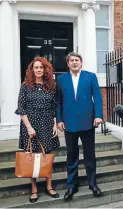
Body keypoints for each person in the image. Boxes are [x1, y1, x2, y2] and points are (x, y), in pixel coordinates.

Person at [56, 52, 103, 201]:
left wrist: (98, 115)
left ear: (81, 63)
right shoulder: (61, 79)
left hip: (87, 121)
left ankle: (92, 183)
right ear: (68, 64)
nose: (74, 62)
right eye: (71, 60)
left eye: (77, 60)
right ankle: (71, 185)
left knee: (90, 155)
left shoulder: (90, 76)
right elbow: (58, 102)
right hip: (69, 123)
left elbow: (98, 97)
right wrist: (59, 120)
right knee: (71, 155)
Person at [15, 57, 60, 203]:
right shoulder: (25, 86)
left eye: (41, 67)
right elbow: (21, 108)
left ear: (45, 69)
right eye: (36, 68)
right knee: (32, 157)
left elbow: (54, 107)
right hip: (31, 124)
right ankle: (34, 189)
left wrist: (55, 124)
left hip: (47, 124)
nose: (39, 70)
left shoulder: (51, 86)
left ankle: (49, 186)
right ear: (32, 70)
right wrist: (28, 127)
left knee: (47, 156)